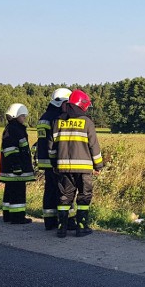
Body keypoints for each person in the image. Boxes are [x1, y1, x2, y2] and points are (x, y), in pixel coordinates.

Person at [52, 89, 103, 238]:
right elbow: (94, 146)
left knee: (64, 197)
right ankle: (81, 227)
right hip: (84, 168)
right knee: (84, 196)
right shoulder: (87, 122)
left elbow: (52, 146)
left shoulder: (58, 121)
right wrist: (98, 166)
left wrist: (54, 164)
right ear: (82, 105)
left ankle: (61, 228)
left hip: (63, 168)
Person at [36, 88, 72, 230]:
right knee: (62, 190)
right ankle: (66, 221)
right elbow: (55, 141)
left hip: (44, 161)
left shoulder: (44, 116)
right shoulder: (57, 118)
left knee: (49, 190)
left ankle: (49, 222)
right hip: (54, 160)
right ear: (62, 103)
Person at [0, 103, 35, 224]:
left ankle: (8, 216)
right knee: (18, 193)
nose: (24, 118)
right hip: (15, 169)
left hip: (11, 168)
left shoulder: (11, 128)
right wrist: (17, 166)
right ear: (16, 116)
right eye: (23, 116)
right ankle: (17, 217)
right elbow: (11, 150)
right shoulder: (15, 129)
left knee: (9, 192)